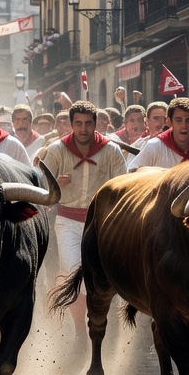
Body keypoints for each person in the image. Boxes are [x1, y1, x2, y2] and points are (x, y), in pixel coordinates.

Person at [37, 101, 126, 331]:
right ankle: (80, 328)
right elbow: (41, 184)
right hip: (67, 221)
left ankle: (98, 323)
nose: (83, 129)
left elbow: (123, 186)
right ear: (71, 124)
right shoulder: (56, 149)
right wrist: (56, 183)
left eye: (88, 123)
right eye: (78, 123)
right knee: (73, 272)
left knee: (102, 276)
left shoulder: (111, 150)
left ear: (95, 124)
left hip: (101, 222)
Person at [128, 98, 189, 170]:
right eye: (178, 120)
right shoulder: (154, 147)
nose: (184, 126)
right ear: (169, 121)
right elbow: (132, 172)